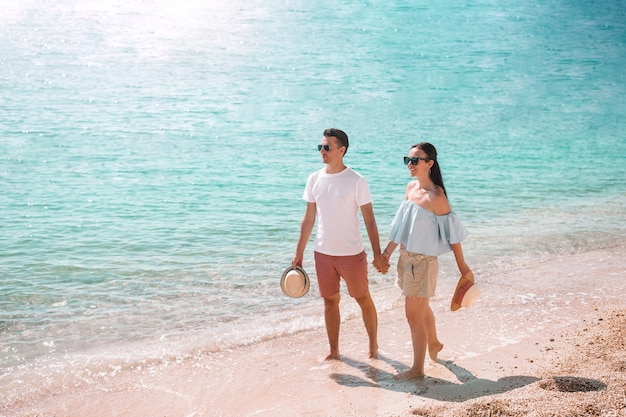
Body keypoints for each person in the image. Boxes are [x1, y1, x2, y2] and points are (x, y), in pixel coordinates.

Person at [378, 142, 472, 380]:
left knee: (413, 315)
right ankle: (434, 343)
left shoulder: (437, 197)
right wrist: (386, 254)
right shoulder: (411, 188)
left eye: (415, 160)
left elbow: (453, 236)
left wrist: (463, 268)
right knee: (421, 308)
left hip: (423, 263)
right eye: (408, 160)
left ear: (430, 163)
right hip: (405, 259)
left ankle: (417, 370)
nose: (410, 164)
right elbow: (401, 228)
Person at [292, 128, 387, 360]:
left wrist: (378, 254)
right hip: (323, 253)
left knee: (362, 298)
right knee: (330, 302)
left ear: (341, 150)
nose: (322, 151)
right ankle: (334, 352)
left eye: (327, 147)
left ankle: (373, 347)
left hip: (352, 254)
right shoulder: (314, 178)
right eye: (320, 147)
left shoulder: (357, 180)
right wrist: (299, 252)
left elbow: (370, 220)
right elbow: (309, 218)